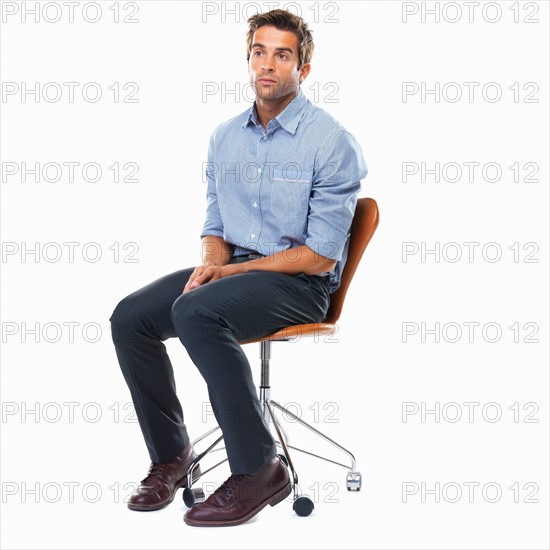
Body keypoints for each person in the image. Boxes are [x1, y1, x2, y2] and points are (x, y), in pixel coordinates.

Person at [109, 8, 367, 527]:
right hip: (238, 275)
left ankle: (258, 468)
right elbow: (216, 225)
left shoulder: (330, 141)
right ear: (248, 59)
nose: (267, 64)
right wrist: (211, 266)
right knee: (129, 317)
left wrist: (224, 279)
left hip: (300, 284)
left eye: (282, 54)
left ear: (304, 68)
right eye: (259, 51)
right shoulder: (226, 136)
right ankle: (171, 456)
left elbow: (320, 255)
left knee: (196, 314)